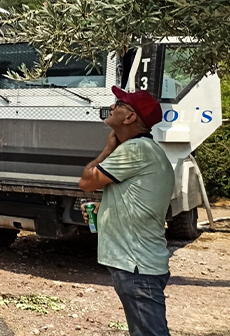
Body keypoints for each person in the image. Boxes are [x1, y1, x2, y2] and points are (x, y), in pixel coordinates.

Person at [79, 86, 172, 336]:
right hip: (140, 265)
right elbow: (140, 199)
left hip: (137, 267)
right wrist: (105, 207)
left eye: (119, 103)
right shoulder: (148, 151)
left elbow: (87, 181)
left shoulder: (135, 150)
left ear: (130, 117)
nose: (112, 106)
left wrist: (107, 149)